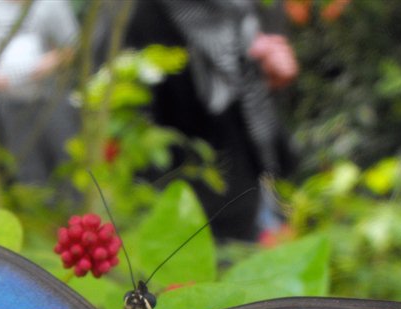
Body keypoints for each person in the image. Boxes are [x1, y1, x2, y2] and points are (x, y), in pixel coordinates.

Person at [124, 0, 299, 242]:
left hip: (258, 174)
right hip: (199, 203)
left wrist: (267, 71)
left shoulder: (238, 8)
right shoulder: (147, 16)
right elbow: (148, 116)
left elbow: (251, 96)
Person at [0, 0, 81, 186]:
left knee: (69, 163)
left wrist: (47, 64)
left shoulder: (52, 5)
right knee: (27, 172)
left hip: (52, 100)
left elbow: (73, 47)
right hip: (11, 105)